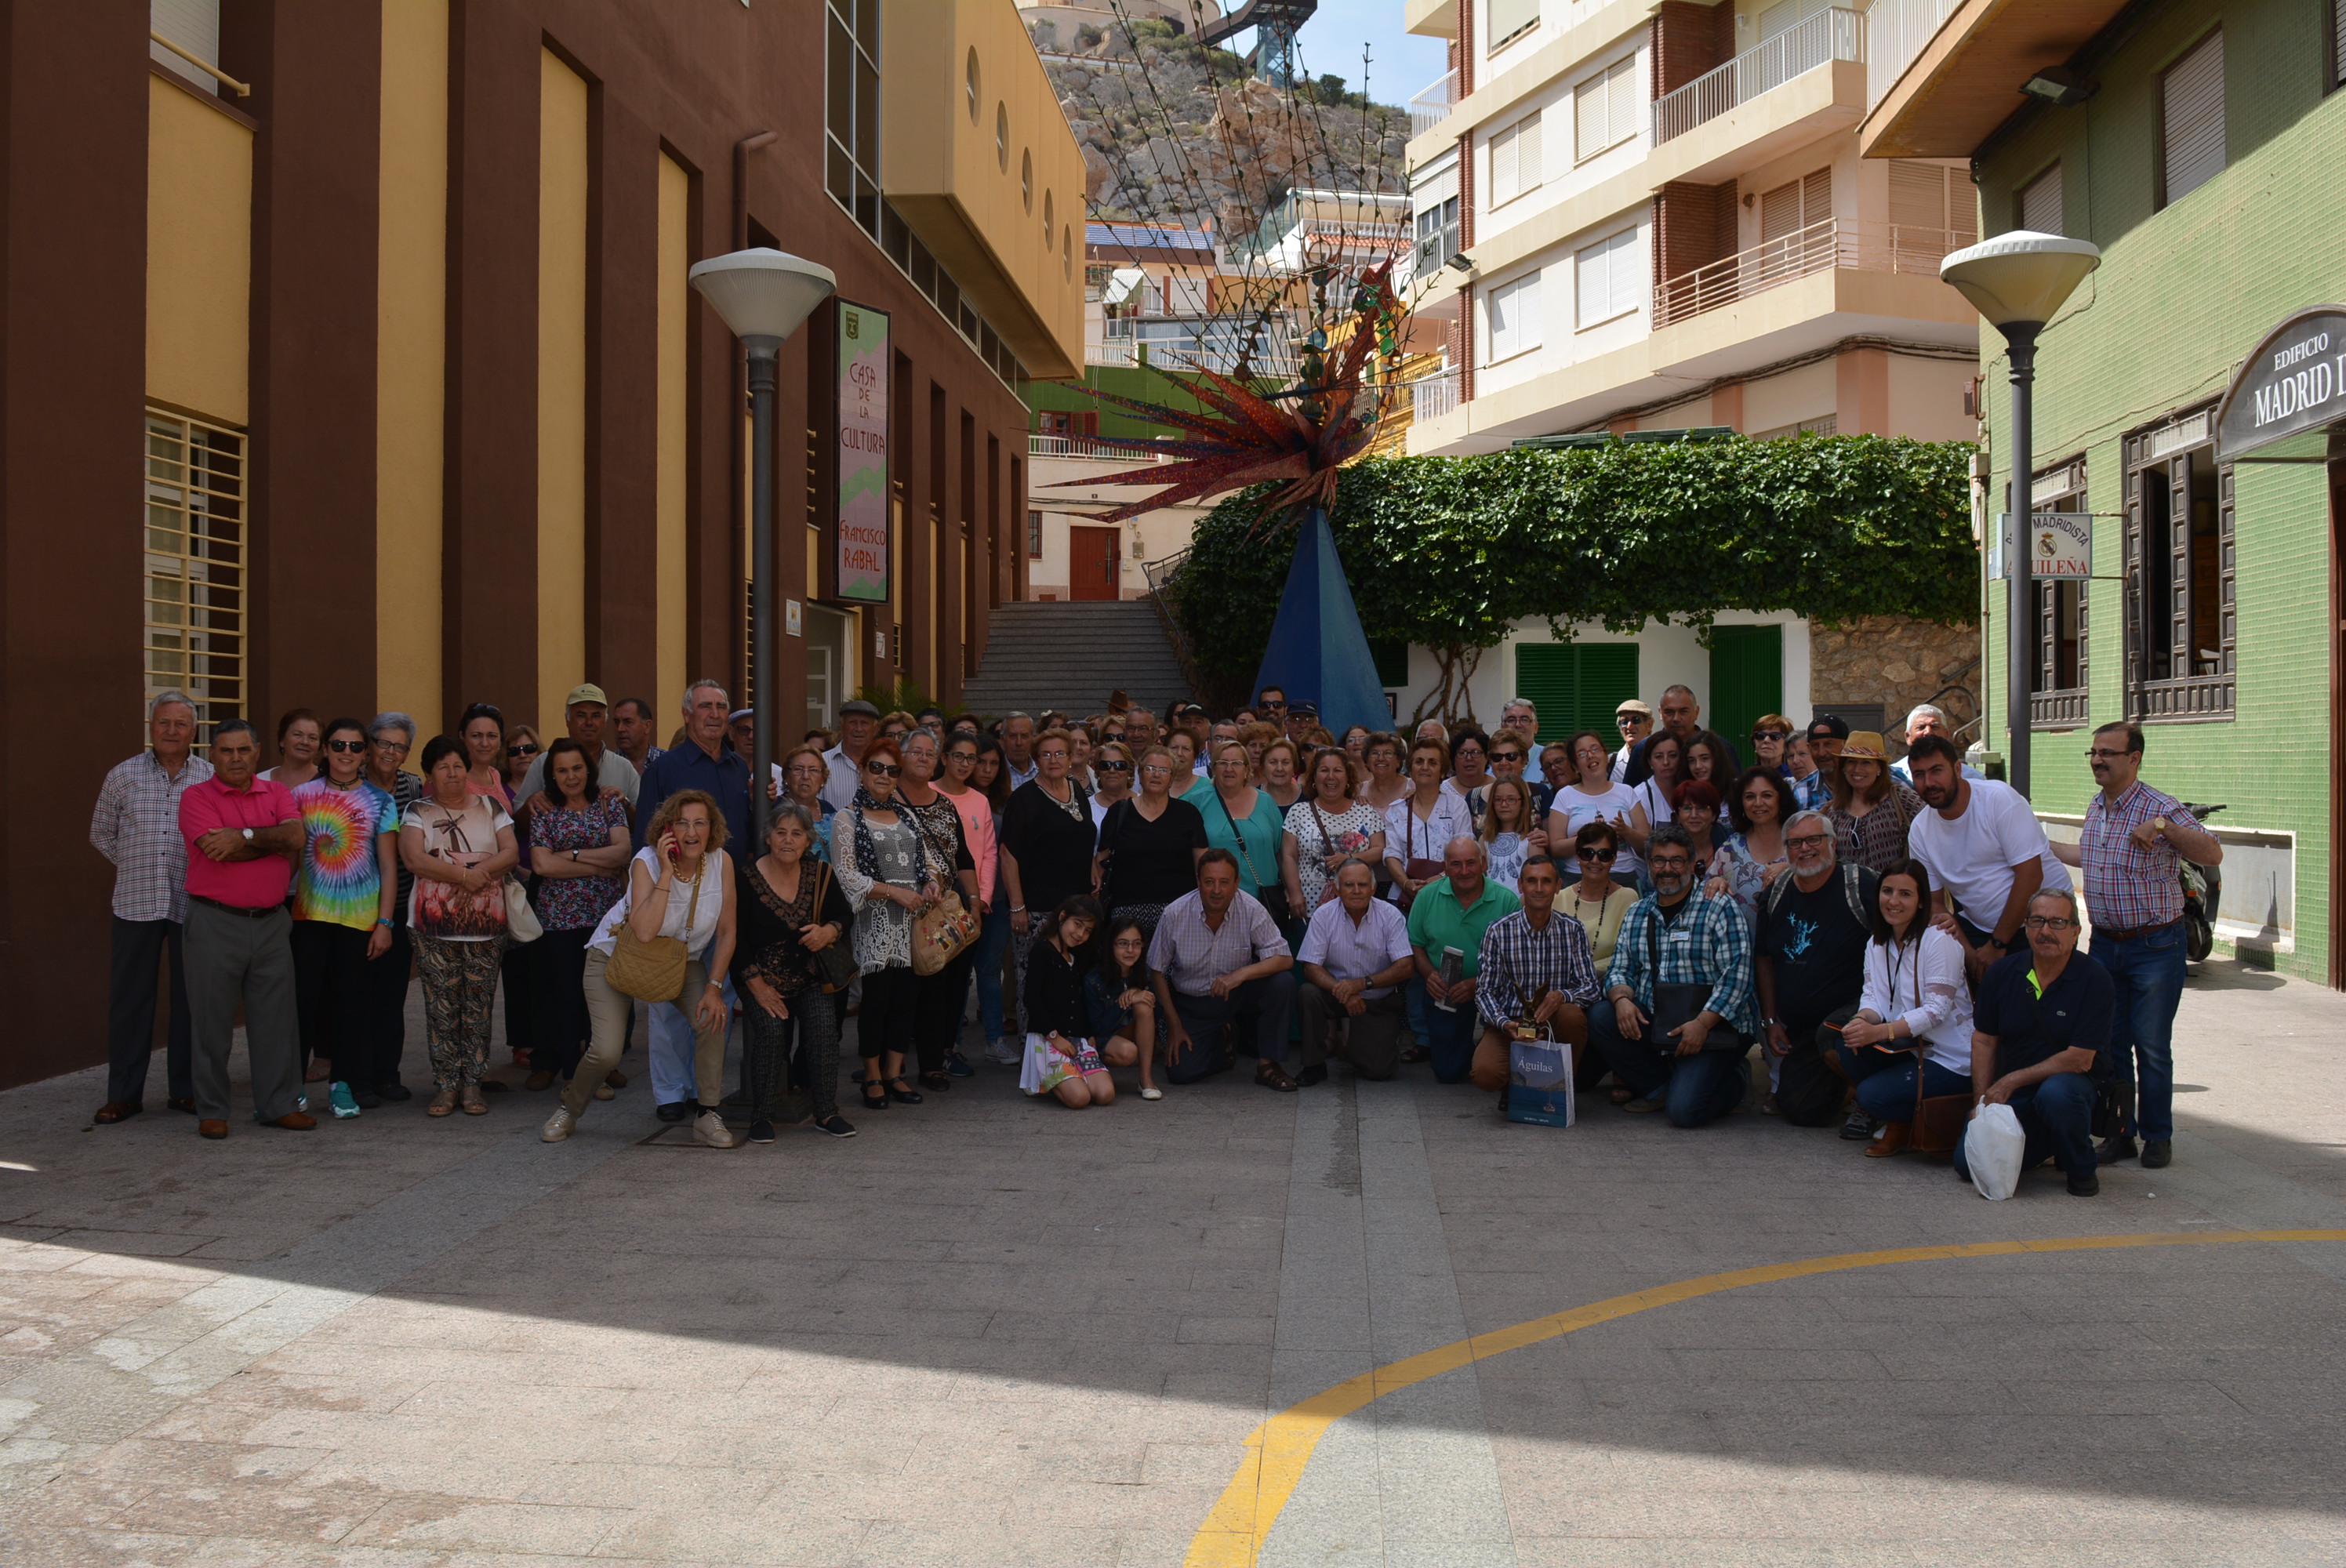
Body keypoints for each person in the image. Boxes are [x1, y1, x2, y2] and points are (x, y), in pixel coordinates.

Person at [2051, 720, 2221, 1170]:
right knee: (2111, 1044)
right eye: (2093, 752)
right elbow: (2091, 857)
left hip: (2155, 948)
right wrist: (2032, 843)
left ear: (2134, 759)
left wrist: (2164, 827)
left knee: (2150, 1045)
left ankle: (2158, 1137)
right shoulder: (2096, 806)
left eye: (2107, 753)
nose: (2097, 760)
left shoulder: (2158, 805)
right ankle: (2121, 1133)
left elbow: (2212, 853)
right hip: (2105, 945)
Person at [543, 789, 738, 1148]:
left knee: (712, 1018)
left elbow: (727, 930)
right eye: (681, 823)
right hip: (617, 956)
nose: (691, 832)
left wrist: (714, 986)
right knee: (606, 1051)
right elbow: (646, 931)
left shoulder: (722, 863)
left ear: (712, 829)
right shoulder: (645, 862)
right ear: (667, 830)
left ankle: (707, 1114)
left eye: (700, 823)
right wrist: (666, 872)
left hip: (679, 962)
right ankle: (569, 1109)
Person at [179, 719, 309, 1139]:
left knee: (276, 1022)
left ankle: (278, 1105)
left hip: (271, 924)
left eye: (243, 750)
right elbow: (218, 852)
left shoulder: (278, 792)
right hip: (215, 921)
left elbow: (295, 836)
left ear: (257, 753)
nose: (235, 758)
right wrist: (264, 841)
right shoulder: (195, 796)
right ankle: (212, 1109)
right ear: (212, 755)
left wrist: (245, 835)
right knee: (210, 1024)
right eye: (225, 750)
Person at [90, 691, 213, 1124]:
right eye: (164, 722)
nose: (172, 731)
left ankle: (184, 1091)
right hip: (134, 901)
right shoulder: (122, 775)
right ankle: (124, 1095)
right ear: (151, 726)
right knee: (130, 1002)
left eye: (181, 724)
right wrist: (136, 863)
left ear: (194, 731)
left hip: (192, 904)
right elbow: (101, 833)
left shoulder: (209, 777)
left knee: (191, 1001)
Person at [1589, 824, 1758, 1127]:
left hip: (1716, 1026)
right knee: (1603, 1016)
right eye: (1659, 861)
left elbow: (1738, 976)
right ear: (1649, 865)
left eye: (1676, 861)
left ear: (1692, 865)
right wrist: (1621, 999)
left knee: (1685, 1113)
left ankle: (1734, 1082)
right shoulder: (1638, 912)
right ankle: (1662, 1087)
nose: (1667, 869)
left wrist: (1703, 1024)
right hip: (1662, 1019)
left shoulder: (1718, 907)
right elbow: (1620, 968)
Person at [1954, 887, 2112, 1197]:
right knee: (1967, 1165)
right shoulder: (2003, 973)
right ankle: (2052, 1138)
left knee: (2056, 1095)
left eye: (2057, 923)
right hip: (2020, 1094)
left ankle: (2080, 1169)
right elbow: (1984, 1040)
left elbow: (2080, 1059)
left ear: (2076, 932)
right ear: (2025, 928)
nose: (2046, 931)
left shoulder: (2094, 978)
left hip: (2075, 1087)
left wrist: (2010, 1080)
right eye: (2037, 921)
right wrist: (1982, 1103)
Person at [400, 734, 519, 1117]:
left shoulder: (491, 807)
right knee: (441, 1006)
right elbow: (415, 859)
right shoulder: (417, 810)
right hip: (433, 930)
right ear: (429, 774)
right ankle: (446, 1085)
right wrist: (465, 877)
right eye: (442, 766)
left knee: (478, 1008)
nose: (451, 773)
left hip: (487, 927)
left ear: (467, 770)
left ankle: (473, 1084)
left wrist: (476, 874)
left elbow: (512, 853)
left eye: (457, 765)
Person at [287, 718, 401, 1116]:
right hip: (308, 917)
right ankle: (290, 1089)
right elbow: (286, 858)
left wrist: (385, 924)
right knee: (301, 1004)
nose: (346, 754)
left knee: (350, 1006)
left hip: (359, 922)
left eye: (355, 747)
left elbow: (389, 867)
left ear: (365, 754)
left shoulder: (381, 802)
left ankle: (343, 1085)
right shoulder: (301, 795)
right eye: (338, 745)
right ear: (325, 750)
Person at [728, 800, 855, 1141]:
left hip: (808, 977)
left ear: (808, 841)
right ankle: (762, 1116)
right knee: (771, 1033)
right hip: (759, 978)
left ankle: (826, 1112)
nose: (788, 840)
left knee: (825, 1030)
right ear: (768, 837)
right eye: (780, 832)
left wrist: (829, 931)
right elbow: (734, 937)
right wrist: (757, 985)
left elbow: (845, 917)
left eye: (796, 834)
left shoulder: (821, 874)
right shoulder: (745, 877)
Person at [1830, 858, 1974, 1157]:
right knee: (1846, 1046)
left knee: (1871, 1095)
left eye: (1905, 894)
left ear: (1922, 902)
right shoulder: (1876, 943)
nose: (1893, 901)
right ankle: (1898, 1111)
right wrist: (1861, 1021)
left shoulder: (1939, 941)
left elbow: (1936, 1011)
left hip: (1950, 1057)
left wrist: (1879, 1031)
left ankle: (1899, 1122)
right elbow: (1872, 997)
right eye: (1887, 891)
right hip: (1908, 1047)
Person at [1905, 734, 2072, 981]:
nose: (1929, 782)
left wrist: (1997, 944)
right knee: (1988, 1010)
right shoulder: (1920, 830)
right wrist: (1971, 957)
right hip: (1980, 930)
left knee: (2039, 1005)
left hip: (2041, 922)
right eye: (1919, 775)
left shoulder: (1999, 799)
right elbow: (1936, 905)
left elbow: (2030, 875)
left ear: (1958, 769)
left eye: (1936, 771)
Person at [1752, 811, 1877, 1128]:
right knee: (1801, 1110)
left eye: (1813, 839)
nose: (1805, 848)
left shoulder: (1861, 885)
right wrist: (1771, 1020)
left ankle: (1874, 1096)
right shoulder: (1776, 893)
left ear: (1833, 843)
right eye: (1795, 843)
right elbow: (1764, 959)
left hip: (1855, 1020)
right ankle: (1847, 1083)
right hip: (1802, 1031)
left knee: (1831, 1034)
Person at [525, 736, 632, 1094]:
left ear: (589, 770)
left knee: (604, 993)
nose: (571, 777)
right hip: (560, 918)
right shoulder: (544, 811)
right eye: (562, 770)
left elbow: (622, 853)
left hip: (606, 916)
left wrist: (568, 855)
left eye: (577, 768)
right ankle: (574, 1075)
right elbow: (541, 864)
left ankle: (602, 1063)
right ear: (551, 776)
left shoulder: (608, 804)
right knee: (568, 994)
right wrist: (592, 861)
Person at [833, 739, 935, 1111]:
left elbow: (927, 863)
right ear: (862, 771)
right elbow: (847, 876)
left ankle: (895, 1074)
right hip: (874, 923)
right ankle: (872, 1076)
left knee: (906, 1003)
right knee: (876, 1003)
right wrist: (896, 893)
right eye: (877, 767)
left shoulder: (908, 817)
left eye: (892, 770)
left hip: (912, 923)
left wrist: (931, 883)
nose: (885, 776)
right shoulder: (847, 818)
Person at [1148, 851, 1298, 1090]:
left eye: (1224, 882)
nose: (1216, 890)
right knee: (1180, 1073)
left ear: (1237, 883)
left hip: (1238, 994)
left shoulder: (1251, 908)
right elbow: (1156, 970)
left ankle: (1268, 1065)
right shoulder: (1175, 913)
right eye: (1209, 882)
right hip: (1194, 1003)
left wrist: (1239, 975)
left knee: (1282, 983)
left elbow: (1284, 957)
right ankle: (1225, 1041)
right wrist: (1174, 1025)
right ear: (1198, 882)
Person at [1468, 854, 1599, 1109]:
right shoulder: (1498, 931)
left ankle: (1555, 1088)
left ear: (1558, 886)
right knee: (1485, 1075)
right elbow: (1484, 992)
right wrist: (1505, 1024)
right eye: (1532, 881)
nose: (1539, 889)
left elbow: (1591, 987)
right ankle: (1513, 1087)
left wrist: (1563, 996)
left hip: (1553, 1025)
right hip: (1510, 1026)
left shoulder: (1573, 930)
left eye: (1546, 881)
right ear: (1520, 885)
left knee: (1573, 1015)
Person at [895, 728, 980, 1092]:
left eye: (930, 754)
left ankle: (932, 1064)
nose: (924, 759)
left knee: (939, 990)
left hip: (940, 913)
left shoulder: (945, 804)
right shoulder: (884, 800)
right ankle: (887, 1066)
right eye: (916, 752)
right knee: (898, 992)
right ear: (902, 756)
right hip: (895, 910)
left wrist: (975, 902)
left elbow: (962, 857)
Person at [1001, 728, 1097, 1039]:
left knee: (1073, 983)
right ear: (1036, 760)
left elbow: (1082, 834)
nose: (1054, 760)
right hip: (1039, 909)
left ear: (1071, 758)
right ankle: (1037, 1058)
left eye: (1060, 753)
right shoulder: (1024, 799)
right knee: (1035, 984)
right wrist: (1018, 906)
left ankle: (1073, 1052)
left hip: (1078, 908)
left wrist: (1093, 863)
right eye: (1046, 755)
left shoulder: (1076, 789)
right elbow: (1008, 854)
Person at [1406, 837, 1520, 1084]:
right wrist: (1429, 975)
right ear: (1445, 868)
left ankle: (1489, 1041)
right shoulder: (1426, 897)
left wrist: (1479, 983)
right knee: (1449, 1073)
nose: (1465, 871)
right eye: (1456, 864)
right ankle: (1470, 1046)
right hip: (1447, 988)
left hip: (1497, 990)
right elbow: (1416, 943)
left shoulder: (1506, 900)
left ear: (1484, 863)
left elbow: (1517, 959)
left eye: (1471, 863)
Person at [1295, 860, 1414, 1085]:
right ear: (1337, 888)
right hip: (1336, 994)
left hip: (1376, 1000)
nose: (1357, 891)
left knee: (1380, 1071)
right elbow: (1310, 967)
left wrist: (1361, 985)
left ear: (1374, 887)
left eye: (1363, 884)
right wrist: (1346, 992)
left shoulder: (1390, 915)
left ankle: (1351, 1045)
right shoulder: (1323, 915)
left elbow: (1405, 967)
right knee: (1307, 993)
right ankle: (1313, 1065)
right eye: (1349, 885)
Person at [361, 713, 425, 1101]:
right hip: (353, 906)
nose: (390, 752)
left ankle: (387, 1072)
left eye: (399, 746)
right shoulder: (353, 782)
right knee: (356, 993)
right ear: (370, 744)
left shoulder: (413, 786)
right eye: (384, 743)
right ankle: (358, 1075)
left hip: (399, 904)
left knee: (390, 994)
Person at [937, 730, 1002, 1066]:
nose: (965, 764)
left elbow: (989, 853)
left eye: (971, 758)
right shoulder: (927, 794)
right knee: (932, 981)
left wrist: (981, 900)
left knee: (960, 981)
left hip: (970, 903)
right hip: (932, 903)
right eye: (959, 756)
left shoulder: (980, 801)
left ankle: (949, 1050)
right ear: (944, 757)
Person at [1017, 895, 1118, 1108]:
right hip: (1049, 1039)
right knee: (1080, 1098)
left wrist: (1088, 1032)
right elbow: (1031, 998)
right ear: (1062, 917)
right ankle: (1050, 1080)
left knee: (1105, 1094)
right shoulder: (1042, 950)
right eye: (1077, 925)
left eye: (1088, 930)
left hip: (1076, 1039)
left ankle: (1074, 1075)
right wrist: (1054, 1036)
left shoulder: (1077, 956)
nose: (1081, 934)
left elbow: (1079, 1001)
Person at [1097, 744, 1208, 938]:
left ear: (1172, 777)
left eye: (1164, 770)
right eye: (1150, 769)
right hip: (1126, 911)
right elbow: (1101, 862)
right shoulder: (1119, 812)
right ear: (1140, 774)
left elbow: (1202, 864)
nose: (1156, 775)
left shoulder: (1188, 814)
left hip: (1178, 911)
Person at [1281, 747, 1385, 915]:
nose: (1331, 777)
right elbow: (1288, 856)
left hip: (1356, 906)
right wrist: (1294, 893)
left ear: (1347, 778)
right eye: (1324, 770)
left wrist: (1349, 859)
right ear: (1314, 777)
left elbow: (1380, 849)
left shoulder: (1365, 811)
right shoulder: (1298, 811)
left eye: (1337, 770)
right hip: (1309, 905)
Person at [1197, 739, 1287, 914]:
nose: (1229, 769)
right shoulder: (1198, 801)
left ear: (1247, 769)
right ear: (1213, 768)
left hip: (1263, 901)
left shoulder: (1266, 802)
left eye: (1236, 763)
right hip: (1216, 902)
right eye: (1222, 763)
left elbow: (1280, 853)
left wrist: (1291, 891)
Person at [517, 684, 642, 808]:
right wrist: (531, 804)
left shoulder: (624, 768)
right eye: (581, 715)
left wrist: (624, 804)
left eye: (596, 716)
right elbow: (517, 819)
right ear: (568, 720)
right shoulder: (542, 763)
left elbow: (644, 821)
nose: (589, 722)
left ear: (605, 721)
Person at [1385, 736, 1472, 910]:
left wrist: (1440, 878)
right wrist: (1405, 883)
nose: (1425, 767)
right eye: (1419, 762)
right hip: (1405, 898)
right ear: (1410, 769)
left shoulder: (1456, 805)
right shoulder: (1396, 810)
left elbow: (1465, 850)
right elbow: (1392, 855)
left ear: (1443, 772)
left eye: (1433, 762)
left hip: (1449, 893)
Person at [1086, 913, 1160, 1098]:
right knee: (1129, 1053)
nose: (1130, 950)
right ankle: (1094, 1070)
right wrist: (1124, 1003)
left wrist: (1136, 992)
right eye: (1123, 943)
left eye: (1137, 943)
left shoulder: (1142, 972)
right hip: (1099, 1039)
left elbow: (1155, 1014)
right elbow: (1098, 1028)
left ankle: (1146, 1080)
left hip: (1127, 1032)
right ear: (1111, 945)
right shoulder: (1094, 979)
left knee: (1144, 1003)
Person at [1826, 731, 1923, 872]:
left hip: (1893, 891)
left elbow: (1932, 829)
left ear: (1879, 768)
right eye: (1851, 762)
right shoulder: (1836, 810)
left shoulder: (1902, 799)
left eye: (1866, 762)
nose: (1857, 769)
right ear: (1844, 767)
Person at [1716, 768, 1796, 920]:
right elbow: (1708, 889)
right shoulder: (1729, 850)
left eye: (1767, 795)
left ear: (1781, 799)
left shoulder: (1800, 842)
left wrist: (1791, 868)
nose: (1758, 803)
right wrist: (1716, 882)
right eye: (1750, 797)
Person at [1563, 822, 1637, 980]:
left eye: (1604, 855)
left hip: (1608, 985)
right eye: (1587, 853)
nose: (1595, 861)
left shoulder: (1628, 898)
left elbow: (1628, 954)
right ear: (1578, 856)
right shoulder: (1559, 898)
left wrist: (1584, 973)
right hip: (1563, 989)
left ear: (1614, 859)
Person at [1627, 685, 1738, 786]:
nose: (1676, 719)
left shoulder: (1721, 747)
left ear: (1696, 712)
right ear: (1660, 713)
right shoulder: (1643, 749)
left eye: (1683, 712)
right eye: (1669, 712)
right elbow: (1628, 798)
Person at [1622, 732, 1682, 862]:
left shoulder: (1689, 790)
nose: (1666, 762)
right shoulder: (1639, 795)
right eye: (1659, 757)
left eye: (1673, 755)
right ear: (1650, 761)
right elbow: (1641, 850)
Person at [1890, 705, 1984, 785]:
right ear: (1908, 737)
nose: (1928, 732)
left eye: (1935, 727)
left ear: (1947, 735)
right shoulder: (1893, 776)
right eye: (1921, 727)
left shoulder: (1973, 779)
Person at [821, 699, 882, 809]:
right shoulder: (822, 763)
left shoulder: (887, 766)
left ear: (876, 729)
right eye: (852, 722)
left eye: (864, 723)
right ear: (841, 726)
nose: (858, 729)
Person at [779, 743, 836, 863]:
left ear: (822, 779)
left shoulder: (829, 810)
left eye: (813, 770)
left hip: (826, 880)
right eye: (799, 769)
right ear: (787, 777)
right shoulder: (775, 808)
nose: (805, 776)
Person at [457, 702, 511, 809]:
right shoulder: (451, 776)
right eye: (476, 736)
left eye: (492, 736)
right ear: (462, 737)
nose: (485, 743)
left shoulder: (495, 774)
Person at [1793, 715, 1847, 811]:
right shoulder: (1801, 791)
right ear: (1809, 748)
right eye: (1815, 746)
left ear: (1845, 745)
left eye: (1829, 744)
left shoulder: (1859, 786)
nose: (1821, 753)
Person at [259, 708, 322, 789]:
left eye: (312, 738)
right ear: (282, 740)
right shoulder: (261, 781)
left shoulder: (327, 783)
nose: (305, 742)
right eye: (297, 735)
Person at [1358, 731, 1410, 817]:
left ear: (1398, 761)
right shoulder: (1359, 791)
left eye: (1387, 753)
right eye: (1375, 753)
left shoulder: (1413, 787)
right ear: (1366, 761)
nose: (1381, 758)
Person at [1441, 728, 1491, 815]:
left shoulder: (1497, 787)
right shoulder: (1442, 791)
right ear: (1453, 759)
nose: (1469, 758)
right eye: (1462, 753)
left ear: (1486, 757)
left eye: (1475, 752)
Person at [1089, 739, 1135, 826]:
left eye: (1119, 765)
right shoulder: (1087, 807)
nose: (1112, 770)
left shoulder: (1142, 804)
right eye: (1105, 765)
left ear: (1129, 770)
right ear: (1098, 771)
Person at [1497, 698, 1544, 784]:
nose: (1518, 725)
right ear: (1502, 727)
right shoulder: (1492, 761)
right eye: (1511, 720)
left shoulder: (1548, 759)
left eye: (1524, 720)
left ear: (1536, 727)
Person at [612, 695, 660, 775]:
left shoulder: (667, 762)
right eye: (616, 722)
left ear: (647, 726)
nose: (620, 729)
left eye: (628, 722)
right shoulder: (608, 765)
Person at [1259, 736, 1304, 815]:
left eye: (1285, 762)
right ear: (1263, 767)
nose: (1279, 768)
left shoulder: (1308, 797)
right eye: (1273, 762)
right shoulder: (1253, 799)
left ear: (1294, 767)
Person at [1611, 699, 1652, 782]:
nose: (1629, 726)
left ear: (1649, 725)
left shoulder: (1661, 759)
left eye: (1636, 720)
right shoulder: (1609, 764)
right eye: (1624, 722)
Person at [1000, 710, 1039, 789]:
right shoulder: (996, 773)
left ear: (1033, 738)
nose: (1019, 743)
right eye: (1012, 736)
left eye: (1024, 736)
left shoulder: (1043, 770)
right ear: (1002, 739)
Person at [502, 725, 542, 800]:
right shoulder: (500, 794)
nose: (522, 755)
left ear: (539, 752)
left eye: (529, 748)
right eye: (514, 751)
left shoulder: (550, 787)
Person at [1749, 713, 1793, 777]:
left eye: (1774, 736)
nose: (1766, 740)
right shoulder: (1747, 777)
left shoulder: (1795, 777)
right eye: (1760, 735)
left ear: (1787, 744)